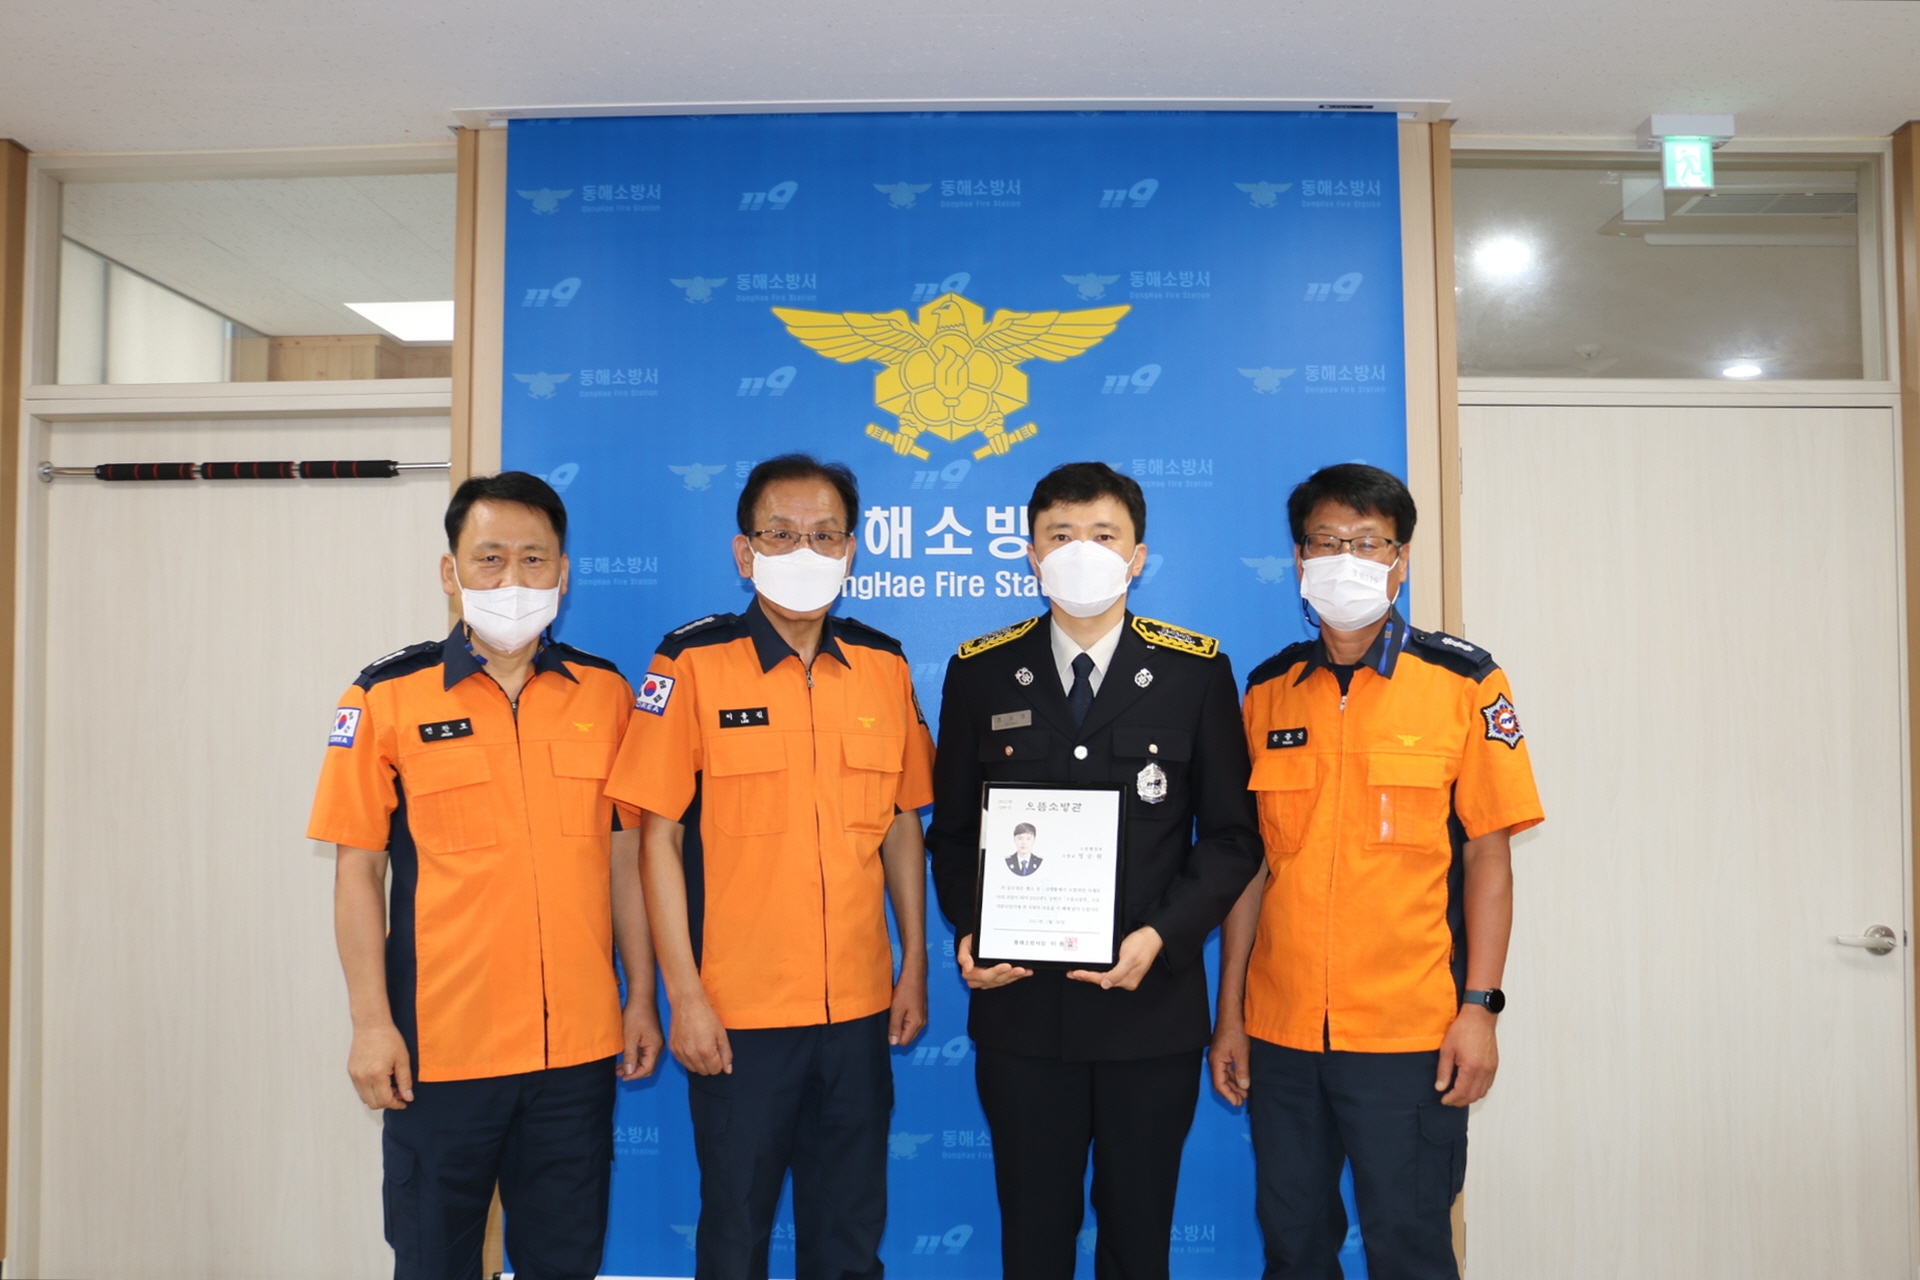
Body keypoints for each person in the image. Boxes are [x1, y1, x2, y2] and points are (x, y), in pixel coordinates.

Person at [308, 471, 664, 1280]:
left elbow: (624, 860)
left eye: (535, 559)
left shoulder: (607, 694)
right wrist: (371, 1024)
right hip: (441, 1054)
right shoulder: (385, 697)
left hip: (575, 1053)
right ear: (451, 571)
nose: (513, 578)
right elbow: (357, 872)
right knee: (434, 1262)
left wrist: (641, 995)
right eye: (490, 557)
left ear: (563, 573)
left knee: (564, 1262)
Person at [927, 461, 1262, 1280]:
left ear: (1137, 556)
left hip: (1150, 1015)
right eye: (1061, 535)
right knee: (1032, 1242)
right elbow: (955, 833)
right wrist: (974, 931)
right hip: (1021, 1013)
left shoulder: (1196, 672)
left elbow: (1231, 838)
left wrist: (1162, 936)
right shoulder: (979, 670)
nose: (1082, 551)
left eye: (1103, 535)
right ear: (1031, 554)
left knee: (1139, 1243)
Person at [605, 453, 935, 1280]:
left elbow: (902, 824)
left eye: (825, 535)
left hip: (859, 1008)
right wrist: (684, 995)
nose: (804, 551)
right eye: (781, 534)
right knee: (736, 1234)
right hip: (737, 1015)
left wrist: (914, 966)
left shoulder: (885, 665)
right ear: (744, 551)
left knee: (849, 1237)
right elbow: (656, 840)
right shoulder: (690, 663)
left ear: (851, 549)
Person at [1212, 463, 1544, 1280]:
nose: (1346, 559)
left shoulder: (1464, 682)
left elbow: (1489, 856)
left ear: (1401, 561)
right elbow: (1250, 870)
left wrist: (1480, 1010)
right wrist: (1232, 1016)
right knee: (1293, 1249)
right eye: (1327, 541)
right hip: (1282, 1032)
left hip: (1410, 1033)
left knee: (1410, 1251)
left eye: (1368, 543)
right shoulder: (1268, 691)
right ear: (1299, 559)